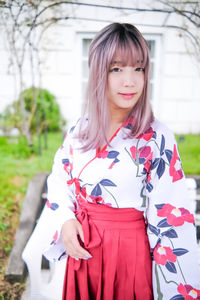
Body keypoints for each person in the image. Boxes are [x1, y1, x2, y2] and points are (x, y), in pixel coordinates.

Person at [43, 23, 200, 300]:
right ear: (97, 73)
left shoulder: (157, 137)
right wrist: (66, 219)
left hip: (129, 257)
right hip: (84, 253)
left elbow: (173, 219)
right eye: (116, 69)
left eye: (138, 68)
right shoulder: (80, 129)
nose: (130, 81)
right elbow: (59, 179)